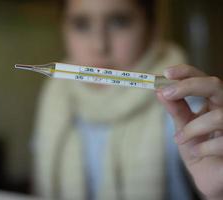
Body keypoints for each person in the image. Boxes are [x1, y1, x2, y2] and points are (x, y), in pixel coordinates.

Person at [32, 0, 223, 199]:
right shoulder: (55, 98)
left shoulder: (187, 109)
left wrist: (219, 193)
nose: (100, 46)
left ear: (152, 28)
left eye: (119, 22)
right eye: (81, 24)